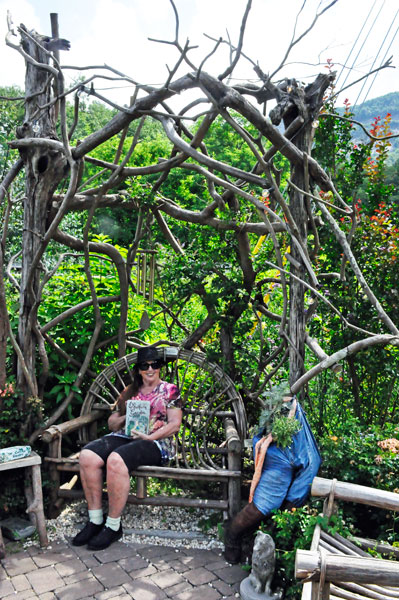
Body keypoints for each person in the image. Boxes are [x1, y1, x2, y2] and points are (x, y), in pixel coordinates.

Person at [72, 346, 183, 551]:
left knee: (116, 460)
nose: (150, 369)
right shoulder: (130, 392)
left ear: (160, 367)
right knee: (87, 455)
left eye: (154, 365)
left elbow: (174, 425)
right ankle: (95, 520)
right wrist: (128, 416)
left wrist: (150, 436)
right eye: (144, 365)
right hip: (125, 436)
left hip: (156, 443)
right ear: (138, 369)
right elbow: (112, 423)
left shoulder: (170, 390)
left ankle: (113, 525)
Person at [224, 383, 321, 564]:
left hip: (288, 465)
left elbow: (308, 460)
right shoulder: (280, 419)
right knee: (260, 507)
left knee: (277, 512)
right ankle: (232, 540)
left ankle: (255, 550)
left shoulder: (295, 420)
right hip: (279, 464)